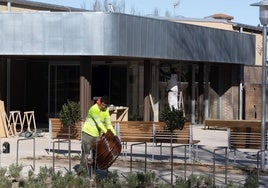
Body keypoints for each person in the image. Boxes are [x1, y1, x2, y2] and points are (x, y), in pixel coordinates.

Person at [80, 96, 116, 175]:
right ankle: (82, 172)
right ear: (100, 102)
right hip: (87, 134)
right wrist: (107, 133)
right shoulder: (94, 109)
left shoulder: (106, 111)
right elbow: (99, 123)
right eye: (102, 105)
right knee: (86, 153)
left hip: (96, 136)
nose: (103, 107)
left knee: (96, 154)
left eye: (105, 106)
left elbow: (108, 124)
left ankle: (93, 172)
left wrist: (114, 134)